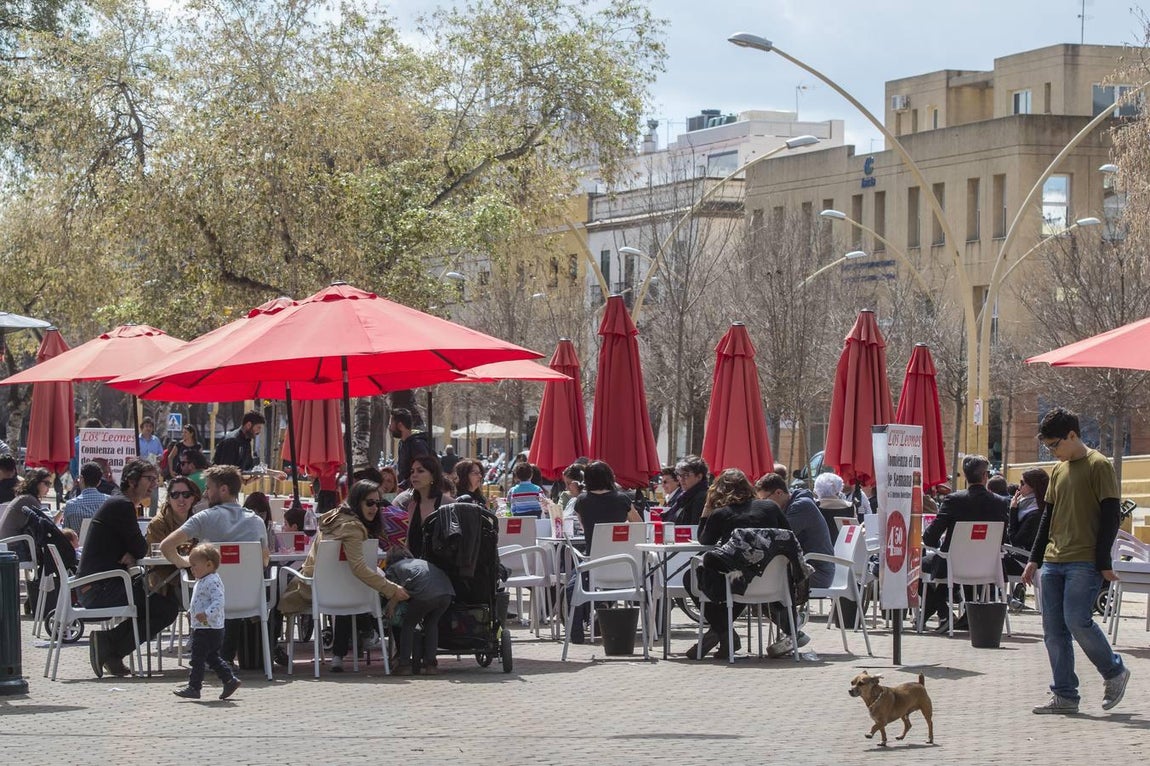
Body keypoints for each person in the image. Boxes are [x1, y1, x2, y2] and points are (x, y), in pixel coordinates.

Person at [1023, 407, 1129, 715]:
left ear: (1072, 435)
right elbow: (1048, 517)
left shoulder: (1099, 465)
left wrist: (1103, 562)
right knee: (1053, 631)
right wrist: (1034, 559)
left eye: (1055, 445)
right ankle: (1065, 695)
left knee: (1076, 621)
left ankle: (1114, 672)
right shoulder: (1058, 470)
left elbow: (1111, 515)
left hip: (1084, 562)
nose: (1053, 452)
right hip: (1054, 561)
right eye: (1048, 447)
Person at [275, 480, 410, 671]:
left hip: (320, 589)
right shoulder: (353, 528)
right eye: (369, 503)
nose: (375, 508)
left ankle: (344, 652)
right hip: (330, 591)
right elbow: (359, 568)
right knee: (393, 586)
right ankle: (383, 642)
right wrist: (391, 589)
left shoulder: (334, 518)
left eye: (378, 504)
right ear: (356, 502)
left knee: (349, 581)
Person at [159, 465, 270, 666]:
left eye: (209, 488)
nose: (205, 493)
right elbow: (264, 561)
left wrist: (185, 564)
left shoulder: (204, 518)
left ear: (224, 490)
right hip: (249, 600)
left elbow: (166, 546)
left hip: (212, 601)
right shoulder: (257, 522)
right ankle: (227, 658)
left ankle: (210, 656)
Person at [80, 459, 179, 678]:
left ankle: (111, 651)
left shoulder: (120, 503)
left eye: (156, 479)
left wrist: (132, 553)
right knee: (167, 608)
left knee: (162, 603)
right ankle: (108, 644)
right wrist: (134, 552)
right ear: (132, 480)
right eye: (149, 479)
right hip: (98, 589)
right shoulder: (122, 505)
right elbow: (141, 548)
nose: (154, 485)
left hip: (103, 584)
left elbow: (135, 549)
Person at [687, 469, 789, 660]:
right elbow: (788, 536)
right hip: (774, 581)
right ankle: (723, 637)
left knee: (693, 576)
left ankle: (723, 633)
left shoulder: (721, 514)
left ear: (719, 491)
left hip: (738, 582)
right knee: (737, 574)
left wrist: (707, 509)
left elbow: (704, 540)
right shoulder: (770, 507)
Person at [921, 455, 1009, 633]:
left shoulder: (954, 500)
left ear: (966, 476)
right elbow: (1003, 538)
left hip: (955, 565)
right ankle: (963, 616)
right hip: (989, 566)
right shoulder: (1000, 503)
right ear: (985, 476)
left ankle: (945, 613)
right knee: (947, 563)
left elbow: (930, 538)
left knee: (918, 565)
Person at [567, 460, 641, 644]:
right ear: (610, 477)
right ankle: (654, 629)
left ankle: (576, 633)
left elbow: (586, 529)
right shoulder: (623, 499)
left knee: (571, 588)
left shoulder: (581, 502)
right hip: (624, 562)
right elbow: (639, 526)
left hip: (594, 564)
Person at [173, 543, 242, 700]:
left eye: (195, 565)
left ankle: (194, 687)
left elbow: (219, 601)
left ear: (209, 564)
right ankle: (229, 680)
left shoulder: (212, 581)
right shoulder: (202, 580)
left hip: (209, 628)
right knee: (211, 657)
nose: (192, 569)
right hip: (205, 626)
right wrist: (192, 612)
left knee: (197, 658)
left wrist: (207, 613)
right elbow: (199, 600)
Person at [0, 467, 67, 613]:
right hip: (15, 548)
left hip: (9, 545)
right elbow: (49, 527)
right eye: (46, 484)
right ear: (36, 483)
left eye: (50, 484)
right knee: (51, 555)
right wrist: (61, 514)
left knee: (46, 553)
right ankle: (43, 598)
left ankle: (36, 599)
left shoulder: (24, 497)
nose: (49, 488)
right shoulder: (30, 500)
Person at [755, 472, 835, 590]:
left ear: (779, 493)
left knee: (759, 578)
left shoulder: (801, 506)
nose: (763, 504)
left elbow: (779, 538)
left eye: (765, 500)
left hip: (817, 573)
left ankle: (775, 608)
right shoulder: (790, 506)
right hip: (805, 568)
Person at [385, 544, 455, 675]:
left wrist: (392, 603)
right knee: (431, 624)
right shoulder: (420, 562)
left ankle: (404, 665)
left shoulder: (394, 568)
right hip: (446, 593)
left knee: (408, 625)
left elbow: (396, 590)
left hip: (425, 595)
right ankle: (431, 665)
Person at [145, 476, 201, 598]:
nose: (181, 499)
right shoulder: (158, 524)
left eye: (186, 494)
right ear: (169, 499)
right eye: (175, 495)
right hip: (165, 581)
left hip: (195, 576)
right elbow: (159, 557)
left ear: (193, 498)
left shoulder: (199, 521)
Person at [403, 455, 455, 558]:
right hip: (416, 568)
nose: (414, 475)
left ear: (433, 476)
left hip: (442, 568)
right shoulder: (412, 506)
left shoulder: (449, 504)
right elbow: (408, 544)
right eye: (412, 471)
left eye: (420, 471)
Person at [60, 461, 109, 534]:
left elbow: (67, 534)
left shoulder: (71, 505)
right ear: (99, 482)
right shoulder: (109, 502)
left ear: (81, 479)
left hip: (78, 545)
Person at [390, 408, 433, 489]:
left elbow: (424, 470)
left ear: (400, 426)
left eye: (391, 423)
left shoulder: (417, 445)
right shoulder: (402, 444)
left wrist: (403, 486)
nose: (390, 428)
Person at [1009, 467, 1049, 553]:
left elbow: (1015, 541)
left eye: (1022, 483)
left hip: (1028, 559)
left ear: (1034, 486)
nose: (1019, 487)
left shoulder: (1035, 513)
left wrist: (1013, 510)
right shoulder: (1026, 506)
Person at [668, 455, 708, 526]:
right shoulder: (684, 496)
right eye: (680, 475)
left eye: (686, 475)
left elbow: (695, 527)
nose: (681, 479)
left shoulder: (702, 497)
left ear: (699, 476)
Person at [812, 472, 854, 538]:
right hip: (844, 544)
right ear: (839, 488)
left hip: (822, 545)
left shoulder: (814, 507)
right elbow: (854, 530)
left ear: (817, 488)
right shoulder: (850, 506)